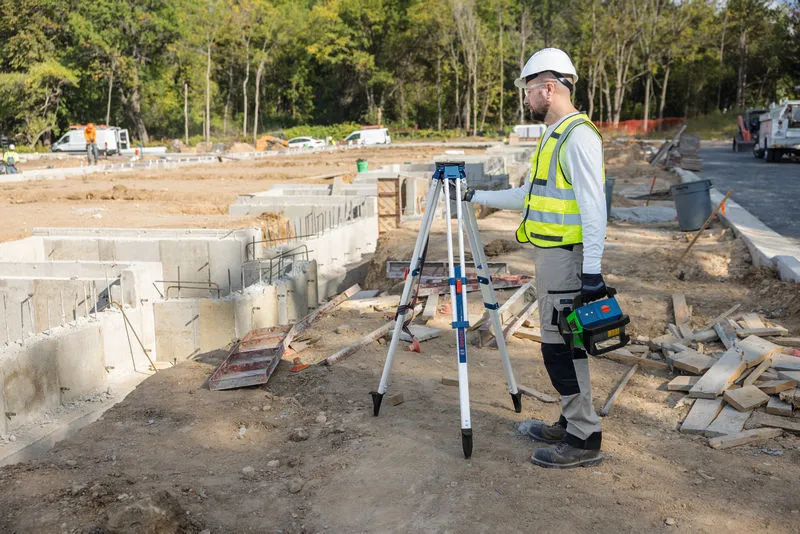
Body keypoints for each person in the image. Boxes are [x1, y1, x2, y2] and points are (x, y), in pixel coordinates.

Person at [452, 48, 607, 469]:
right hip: (552, 259)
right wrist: (475, 196)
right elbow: (529, 196)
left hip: (567, 261)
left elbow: (595, 211)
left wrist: (591, 273)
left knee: (563, 346)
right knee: (559, 343)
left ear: (549, 87)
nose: (525, 98)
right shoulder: (553, 135)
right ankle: (571, 420)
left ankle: (584, 436)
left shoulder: (578, 136)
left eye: (528, 90)